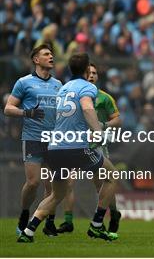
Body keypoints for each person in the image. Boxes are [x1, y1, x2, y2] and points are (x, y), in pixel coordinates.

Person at [17, 53, 119, 242]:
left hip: (55, 148)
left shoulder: (63, 88)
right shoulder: (87, 87)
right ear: (87, 69)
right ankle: (97, 225)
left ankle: (29, 231)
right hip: (77, 146)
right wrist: (98, 131)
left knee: (57, 194)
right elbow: (87, 107)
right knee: (112, 176)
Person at [4, 44, 62, 237]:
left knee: (52, 186)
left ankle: (49, 223)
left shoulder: (58, 85)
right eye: (46, 54)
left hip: (53, 139)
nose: (51, 56)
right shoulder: (24, 82)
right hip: (33, 138)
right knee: (33, 183)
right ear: (36, 60)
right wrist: (26, 112)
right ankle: (24, 213)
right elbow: (8, 108)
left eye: (52, 54)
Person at [57, 63, 122, 233]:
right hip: (75, 144)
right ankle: (68, 222)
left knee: (101, 185)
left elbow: (117, 119)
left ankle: (113, 213)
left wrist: (103, 125)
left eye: (94, 72)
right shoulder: (74, 95)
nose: (91, 75)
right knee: (68, 183)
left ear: (98, 76)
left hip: (96, 145)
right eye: (89, 72)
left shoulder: (104, 97)